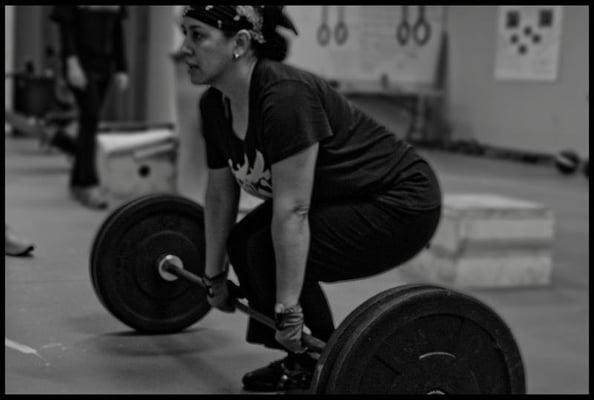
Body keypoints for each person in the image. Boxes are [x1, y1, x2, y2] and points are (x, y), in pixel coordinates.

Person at [179, 5, 442, 392]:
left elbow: (293, 211)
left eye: (197, 35)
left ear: (239, 44)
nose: (185, 47)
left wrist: (288, 310)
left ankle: (321, 366)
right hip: (345, 196)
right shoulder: (214, 104)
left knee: (270, 249)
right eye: (184, 33)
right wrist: (213, 275)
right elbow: (220, 193)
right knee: (244, 242)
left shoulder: (284, 97)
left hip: (401, 203)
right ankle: (304, 361)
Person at [50, 6, 130, 209]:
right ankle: (88, 184)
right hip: (81, 64)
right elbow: (65, 29)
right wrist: (71, 62)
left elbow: (117, 30)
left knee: (89, 123)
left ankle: (77, 181)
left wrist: (121, 68)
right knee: (91, 116)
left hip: (105, 64)